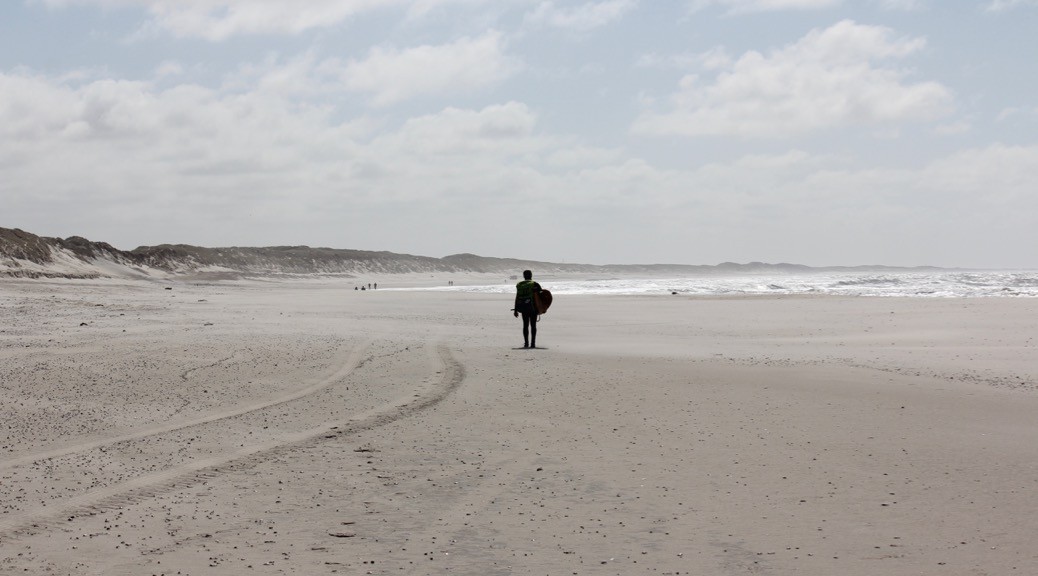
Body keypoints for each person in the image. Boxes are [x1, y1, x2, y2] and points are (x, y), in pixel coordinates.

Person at [513, 269, 542, 349]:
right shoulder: (534, 284)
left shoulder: (520, 285)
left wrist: (516, 310)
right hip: (533, 308)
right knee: (533, 326)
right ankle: (533, 344)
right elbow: (541, 295)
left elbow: (517, 297)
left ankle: (526, 343)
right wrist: (541, 308)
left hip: (523, 308)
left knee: (525, 326)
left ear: (524, 276)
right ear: (531, 275)